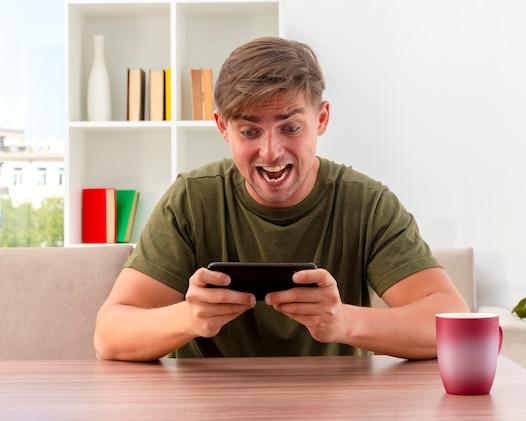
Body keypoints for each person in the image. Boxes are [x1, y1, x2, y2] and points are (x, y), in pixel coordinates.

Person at [94, 37, 468, 361]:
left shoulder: (367, 204)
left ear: (321, 119)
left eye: (290, 127)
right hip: (209, 406)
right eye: (249, 131)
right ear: (223, 127)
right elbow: (109, 335)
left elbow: (450, 320)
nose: (271, 152)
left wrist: (343, 321)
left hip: (335, 407)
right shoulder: (191, 200)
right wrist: (189, 318)